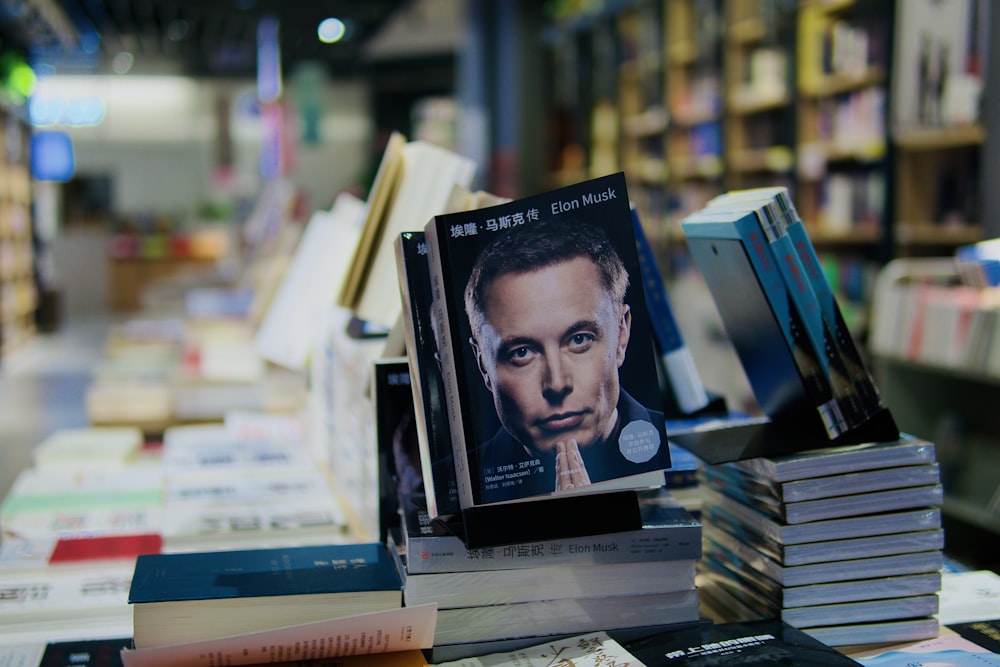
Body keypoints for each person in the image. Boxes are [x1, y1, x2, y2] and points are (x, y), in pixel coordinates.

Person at [464, 217, 665, 503]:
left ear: (621, 334)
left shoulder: (675, 465)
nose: (557, 384)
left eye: (579, 339)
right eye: (521, 352)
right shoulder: (460, 484)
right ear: (483, 363)